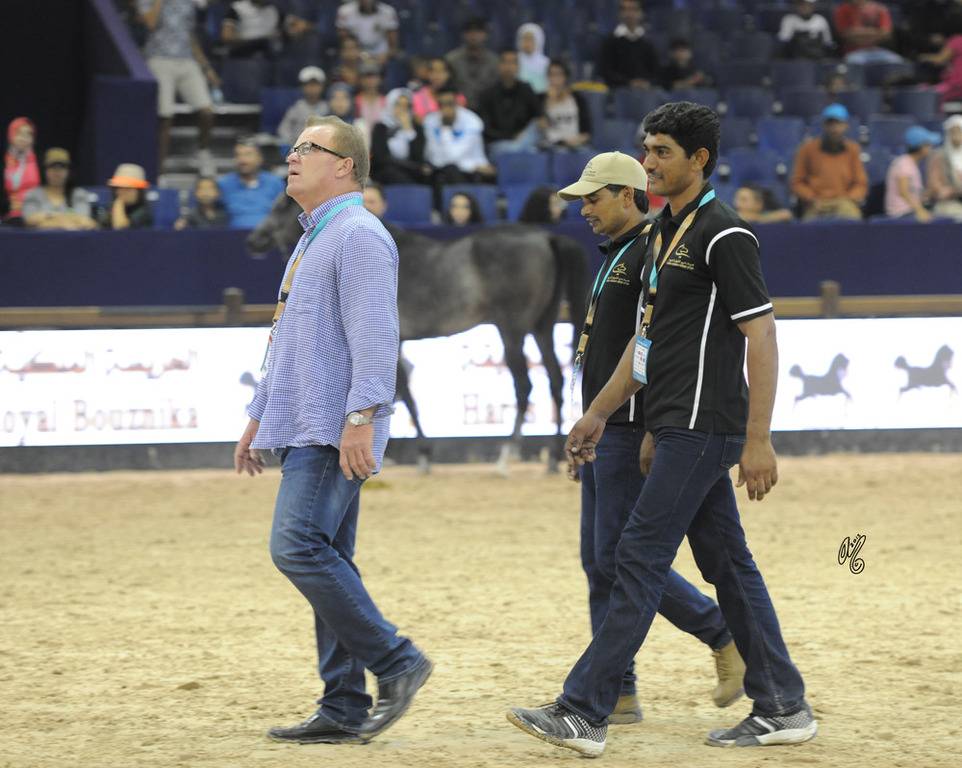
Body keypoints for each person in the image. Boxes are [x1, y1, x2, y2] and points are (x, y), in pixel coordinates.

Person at [506, 101, 816, 757]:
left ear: (699, 159)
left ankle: (585, 709)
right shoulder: (662, 238)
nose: (649, 163)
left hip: (709, 425)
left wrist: (759, 438)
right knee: (729, 566)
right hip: (677, 424)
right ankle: (784, 704)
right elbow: (646, 343)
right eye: (647, 150)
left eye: (664, 152)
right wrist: (601, 414)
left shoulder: (724, 233)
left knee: (636, 557)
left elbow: (760, 333)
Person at [233, 114, 432, 745]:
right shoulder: (318, 234)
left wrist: (361, 419)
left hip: (332, 425)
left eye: (305, 149)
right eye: (291, 147)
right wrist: (259, 416)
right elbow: (289, 334)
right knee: (328, 555)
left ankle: (397, 662)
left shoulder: (358, 235)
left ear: (343, 165)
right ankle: (343, 705)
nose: (290, 157)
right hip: (308, 421)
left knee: (296, 547)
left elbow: (376, 339)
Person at [559, 150, 750, 727]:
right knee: (600, 560)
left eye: (593, 198)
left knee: (622, 556)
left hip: (633, 425)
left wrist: (641, 424)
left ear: (627, 193)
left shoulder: (650, 248)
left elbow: (652, 344)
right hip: (607, 424)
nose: (584, 210)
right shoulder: (621, 250)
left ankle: (720, 634)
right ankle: (618, 691)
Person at [137, 0, 219, 176]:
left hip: (186, 61)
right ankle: (159, 171)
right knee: (165, 117)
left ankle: (202, 152)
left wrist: (206, 67)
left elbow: (189, 34)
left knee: (206, 111)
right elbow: (150, 23)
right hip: (159, 60)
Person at [790, 103, 867, 221]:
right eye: (831, 123)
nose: (835, 128)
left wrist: (848, 198)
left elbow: (860, 184)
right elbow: (797, 182)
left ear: (846, 125)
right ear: (824, 126)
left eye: (839, 123)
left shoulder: (853, 150)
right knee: (809, 228)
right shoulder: (807, 149)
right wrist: (811, 198)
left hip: (843, 201)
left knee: (852, 221)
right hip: (816, 203)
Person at [423, 84, 496, 197]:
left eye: (450, 104)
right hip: (445, 170)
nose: (445, 109)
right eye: (441, 104)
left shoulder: (472, 122)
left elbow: (452, 157)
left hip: (472, 173)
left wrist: (445, 127)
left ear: (457, 103)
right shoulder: (430, 121)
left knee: (451, 171)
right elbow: (432, 155)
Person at [477, 49, 544, 160]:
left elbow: (539, 117)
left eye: (512, 62)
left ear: (518, 66)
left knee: (535, 130)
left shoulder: (526, 90)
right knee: (520, 151)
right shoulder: (487, 94)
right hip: (498, 144)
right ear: (499, 65)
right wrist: (511, 137)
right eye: (505, 62)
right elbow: (486, 129)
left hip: (525, 140)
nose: (509, 67)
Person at [22, 148, 99, 230]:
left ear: (69, 171)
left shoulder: (79, 194)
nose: (57, 172)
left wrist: (47, 219)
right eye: (53, 167)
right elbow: (30, 220)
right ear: (44, 171)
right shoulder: (33, 195)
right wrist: (63, 220)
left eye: (62, 167)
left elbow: (85, 222)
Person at [217, 136, 286, 228]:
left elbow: (284, 213)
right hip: (231, 237)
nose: (242, 160)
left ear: (259, 158)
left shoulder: (275, 183)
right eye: (238, 155)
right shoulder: (223, 184)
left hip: (268, 236)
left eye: (248, 154)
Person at [596, 0, 660, 90]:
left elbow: (656, 71)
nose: (629, 14)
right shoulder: (609, 41)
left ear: (642, 13)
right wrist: (628, 83)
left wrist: (646, 83)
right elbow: (604, 71)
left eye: (633, 9)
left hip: (645, 91)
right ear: (620, 13)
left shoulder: (648, 43)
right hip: (618, 92)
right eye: (625, 9)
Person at [370, 87, 428, 185]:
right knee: (391, 171)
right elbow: (381, 158)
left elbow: (418, 158)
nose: (402, 110)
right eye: (399, 105)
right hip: (386, 172)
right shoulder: (381, 128)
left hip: (410, 172)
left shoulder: (417, 129)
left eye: (406, 106)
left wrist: (409, 131)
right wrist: (412, 166)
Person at [220, 0, 312, 59]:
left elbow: (303, 25)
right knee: (264, 45)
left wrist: (292, 31)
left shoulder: (272, 11)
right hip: (245, 51)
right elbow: (227, 36)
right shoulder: (237, 8)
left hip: (271, 51)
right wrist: (258, 38)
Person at [444, 17, 501, 113]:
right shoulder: (451, 59)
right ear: (464, 35)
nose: (474, 36)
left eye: (478, 31)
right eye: (470, 31)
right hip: (459, 110)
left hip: (488, 111)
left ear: (486, 35)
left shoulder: (495, 61)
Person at [885, 125, 940, 221]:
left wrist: (929, 192)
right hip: (900, 214)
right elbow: (904, 192)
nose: (930, 149)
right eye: (928, 145)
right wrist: (920, 210)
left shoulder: (913, 165)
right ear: (920, 147)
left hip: (910, 211)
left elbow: (915, 198)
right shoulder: (903, 163)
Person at [540, 58, 593, 152]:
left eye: (558, 74)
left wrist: (574, 141)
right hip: (551, 146)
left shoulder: (578, 99)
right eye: (551, 75)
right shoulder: (543, 99)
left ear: (566, 77)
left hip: (575, 145)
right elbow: (541, 126)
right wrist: (550, 101)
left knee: (584, 151)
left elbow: (587, 133)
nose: (554, 79)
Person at [277, 66, 330, 154]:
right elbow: (283, 131)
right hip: (298, 151)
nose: (312, 88)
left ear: (322, 86)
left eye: (316, 84)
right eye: (309, 84)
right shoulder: (295, 108)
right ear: (302, 87)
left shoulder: (328, 108)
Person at [833, 0, 903, 65]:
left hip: (878, 50)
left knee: (897, 62)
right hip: (854, 52)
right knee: (853, 62)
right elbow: (846, 34)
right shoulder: (842, 10)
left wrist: (858, 35)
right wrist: (876, 33)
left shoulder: (880, 9)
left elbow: (886, 34)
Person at [335, 0, 399, 64]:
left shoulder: (388, 12)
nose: (367, 1)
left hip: (381, 54)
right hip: (356, 54)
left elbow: (393, 45)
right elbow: (343, 39)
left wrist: (386, 55)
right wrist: (356, 53)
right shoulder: (345, 11)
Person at [4, 117, 41, 226]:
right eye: (19, 133)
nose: (23, 138)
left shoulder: (39, 162)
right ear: (11, 135)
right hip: (8, 214)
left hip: (34, 213)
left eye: (28, 134)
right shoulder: (4, 162)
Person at [919, 19, 962, 110]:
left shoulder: (956, 40)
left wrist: (926, 57)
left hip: (956, 85)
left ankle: (939, 119)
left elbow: (940, 60)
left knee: (924, 92)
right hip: (955, 85)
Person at [926, 114, 962, 221]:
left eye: (959, 132)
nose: (956, 136)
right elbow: (934, 188)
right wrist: (954, 191)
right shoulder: (939, 156)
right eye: (952, 132)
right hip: (948, 204)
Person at [411, 57, 466, 123]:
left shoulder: (458, 97)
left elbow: (463, 121)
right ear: (427, 74)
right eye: (432, 70)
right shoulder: (418, 96)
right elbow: (420, 122)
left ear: (448, 74)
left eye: (441, 70)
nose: (436, 74)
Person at [101, 163, 154, 230]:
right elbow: (101, 227)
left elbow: (120, 227)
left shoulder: (143, 212)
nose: (122, 193)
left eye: (128, 189)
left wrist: (119, 202)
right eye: (119, 188)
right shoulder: (114, 209)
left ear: (139, 192)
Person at [354, 59, 387, 143]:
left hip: (381, 143)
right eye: (366, 77)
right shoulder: (356, 100)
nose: (369, 80)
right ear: (360, 79)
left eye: (373, 76)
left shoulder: (385, 100)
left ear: (379, 78)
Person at [516, 23, 549, 94]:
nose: (526, 43)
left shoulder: (546, 63)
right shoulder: (515, 60)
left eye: (530, 39)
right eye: (524, 39)